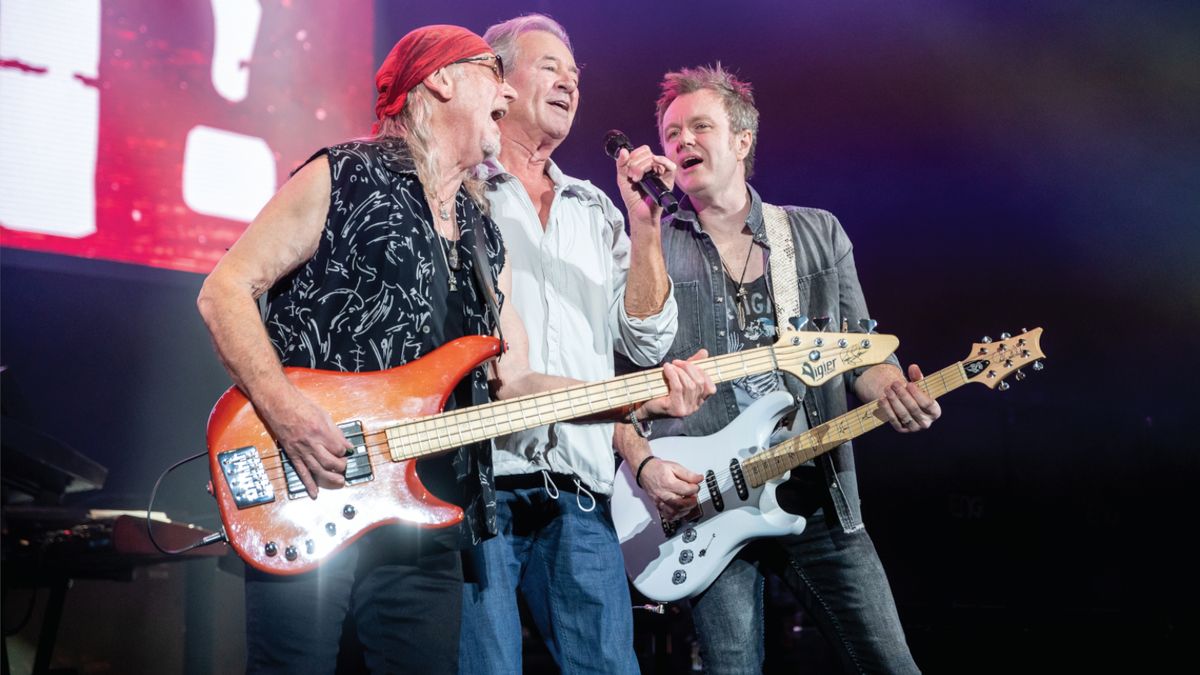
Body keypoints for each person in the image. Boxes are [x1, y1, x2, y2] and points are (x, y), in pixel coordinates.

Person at [196, 24, 704, 674]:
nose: (505, 92)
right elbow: (225, 290)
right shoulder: (344, 172)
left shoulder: (485, 235)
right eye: (492, 72)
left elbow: (516, 385)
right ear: (440, 78)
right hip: (309, 484)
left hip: (425, 518)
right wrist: (284, 411)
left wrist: (640, 391)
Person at [614, 64, 942, 674]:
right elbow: (610, 383)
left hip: (817, 494)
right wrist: (643, 463)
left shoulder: (815, 235)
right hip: (703, 504)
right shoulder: (649, 245)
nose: (681, 141)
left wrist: (894, 389)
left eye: (700, 126)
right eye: (671, 132)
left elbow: (862, 353)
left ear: (742, 140)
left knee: (892, 665)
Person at [458, 14, 715, 675]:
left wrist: (645, 224)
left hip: (578, 489)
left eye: (575, 76)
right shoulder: (463, 191)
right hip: (481, 483)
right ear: (500, 83)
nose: (569, 83)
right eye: (551, 68)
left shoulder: (596, 209)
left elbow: (647, 334)